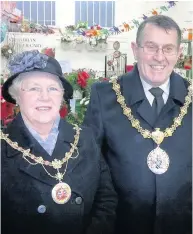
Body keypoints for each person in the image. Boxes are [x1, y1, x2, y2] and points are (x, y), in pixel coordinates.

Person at [84, 15, 192, 234]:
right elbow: (90, 164)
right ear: (135, 49)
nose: (159, 57)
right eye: (151, 47)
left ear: (179, 53)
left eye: (168, 49)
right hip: (121, 224)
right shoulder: (105, 97)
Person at [1, 50, 117, 234]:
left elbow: (106, 200)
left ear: (62, 96)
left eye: (53, 88)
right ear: (16, 95)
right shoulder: (3, 147)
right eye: (33, 88)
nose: (45, 97)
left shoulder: (85, 138)